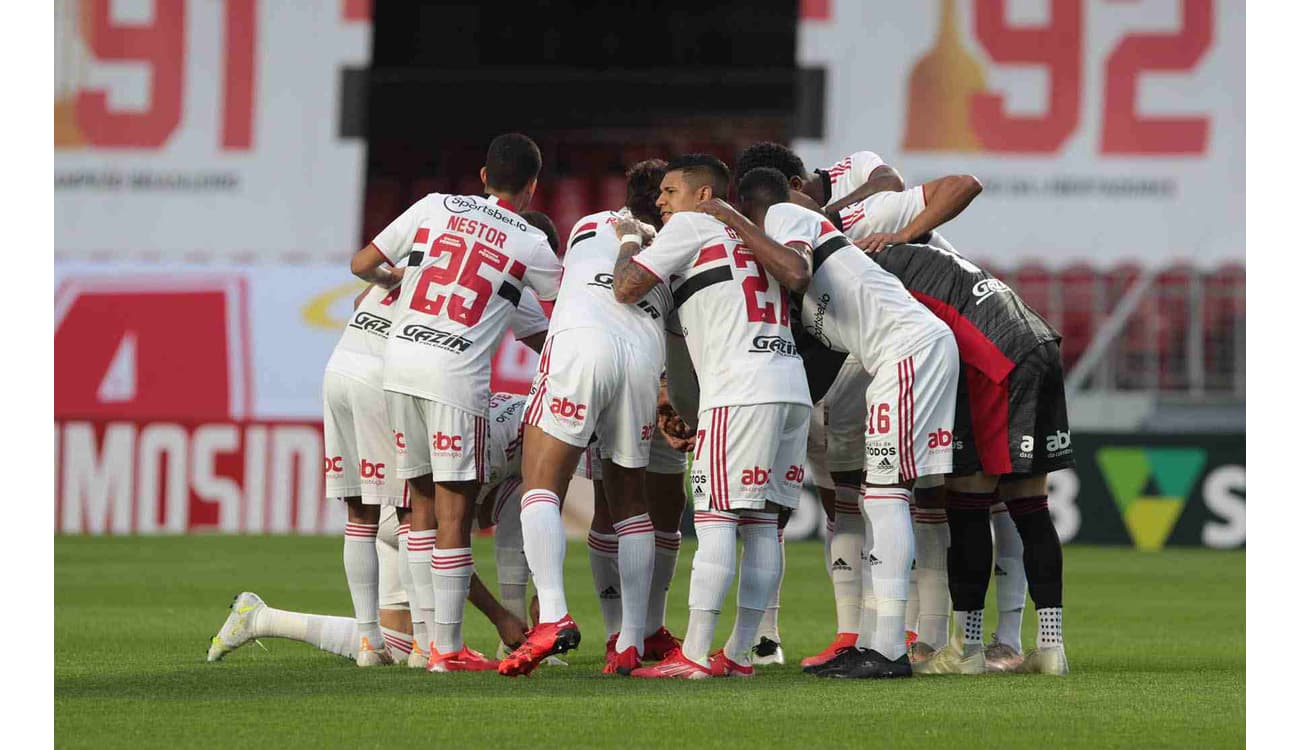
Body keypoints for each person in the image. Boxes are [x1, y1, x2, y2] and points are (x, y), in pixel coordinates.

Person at [702, 167, 958, 679]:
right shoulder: (808, 248)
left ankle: (887, 648)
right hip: (904, 353)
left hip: (906, 351)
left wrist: (729, 217)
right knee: (882, 497)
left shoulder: (784, 215)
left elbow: (795, 271)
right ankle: (873, 640)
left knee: (885, 498)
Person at [838, 172, 1073, 675]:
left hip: (993, 362)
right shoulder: (935, 255)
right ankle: (1050, 647)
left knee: (967, 502)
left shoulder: (871, 273)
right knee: (1030, 506)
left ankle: (965, 649)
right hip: (1039, 344)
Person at [351, 133, 562, 672]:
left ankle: (428, 644)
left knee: (418, 507)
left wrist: (395, 279)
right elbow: (564, 310)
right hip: (455, 376)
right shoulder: (529, 241)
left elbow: (361, 264)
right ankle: (447, 648)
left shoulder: (433, 205)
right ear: (533, 188)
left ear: (485, 176)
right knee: (454, 513)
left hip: (398, 365)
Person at [611, 154, 811, 679]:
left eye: (670, 192)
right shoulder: (752, 234)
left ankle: (697, 655)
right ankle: (740, 654)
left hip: (739, 389)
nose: (660, 202)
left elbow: (626, 287)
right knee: (764, 523)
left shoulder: (693, 226)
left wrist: (630, 240)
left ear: (704, 196)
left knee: (717, 519)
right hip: (791, 386)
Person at [499, 159, 677, 677]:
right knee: (628, 503)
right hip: (642, 360)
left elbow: (563, 289)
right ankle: (629, 639)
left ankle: (553, 615)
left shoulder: (588, 223)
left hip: (582, 343)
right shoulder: (678, 248)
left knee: (542, 487)